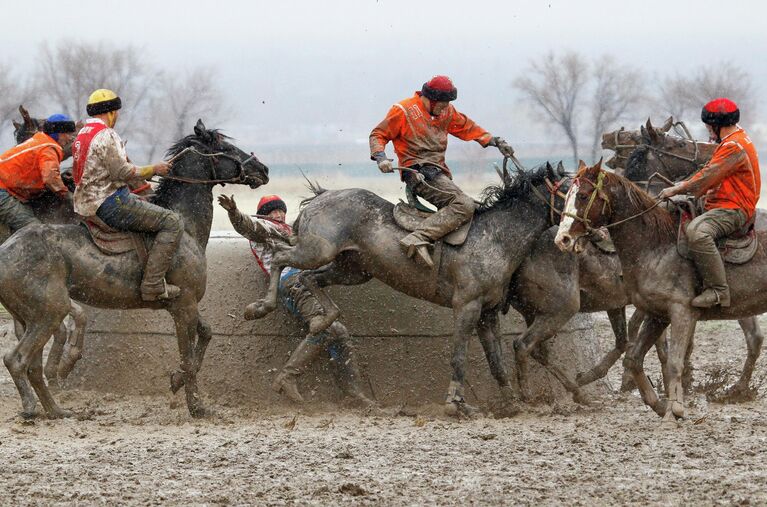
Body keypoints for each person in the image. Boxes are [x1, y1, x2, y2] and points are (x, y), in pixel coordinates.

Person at [218, 193, 374, 406]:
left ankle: (352, 393)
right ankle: (288, 377)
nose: (279, 214)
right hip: (293, 281)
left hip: (299, 281)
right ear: (265, 215)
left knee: (338, 331)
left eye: (281, 210)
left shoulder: (287, 229)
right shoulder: (265, 228)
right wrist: (234, 213)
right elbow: (248, 226)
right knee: (326, 328)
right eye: (273, 211)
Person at [369, 75, 515, 266]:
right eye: (442, 104)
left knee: (476, 209)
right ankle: (417, 237)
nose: (445, 108)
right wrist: (381, 157)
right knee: (464, 205)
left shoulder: (447, 112)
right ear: (430, 98)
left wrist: (493, 141)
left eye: (448, 103)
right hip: (417, 173)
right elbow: (378, 134)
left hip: (438, 173)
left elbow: (466, 127)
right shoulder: (403, 111)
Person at [73, 89, 182, 301]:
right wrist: (154, 169)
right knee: (172, 221)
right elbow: (122, 172)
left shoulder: (82, 134)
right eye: (117, 112)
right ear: (111, 112)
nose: (118, 116)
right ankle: (153, 285)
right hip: (109, 202)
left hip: (85, 202)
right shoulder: (106, 135)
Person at [658, 98, 760, 308]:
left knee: (697, 232)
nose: (708, 131)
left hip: (733, 209)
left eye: (708, 127)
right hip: (720, 202)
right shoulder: (735, 139)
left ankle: (718, 290)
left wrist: (676, 189)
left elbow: (707, 177)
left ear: (717, 125)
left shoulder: (734, 146)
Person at [0, 114, 77, 232]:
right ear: (59, 133)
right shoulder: (49, 149)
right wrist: (68, 196)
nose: (70, 138)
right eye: (68, 134)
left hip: (7, 188)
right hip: (2, 191)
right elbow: (50, 179)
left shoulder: (39, 139)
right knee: (36, 231)